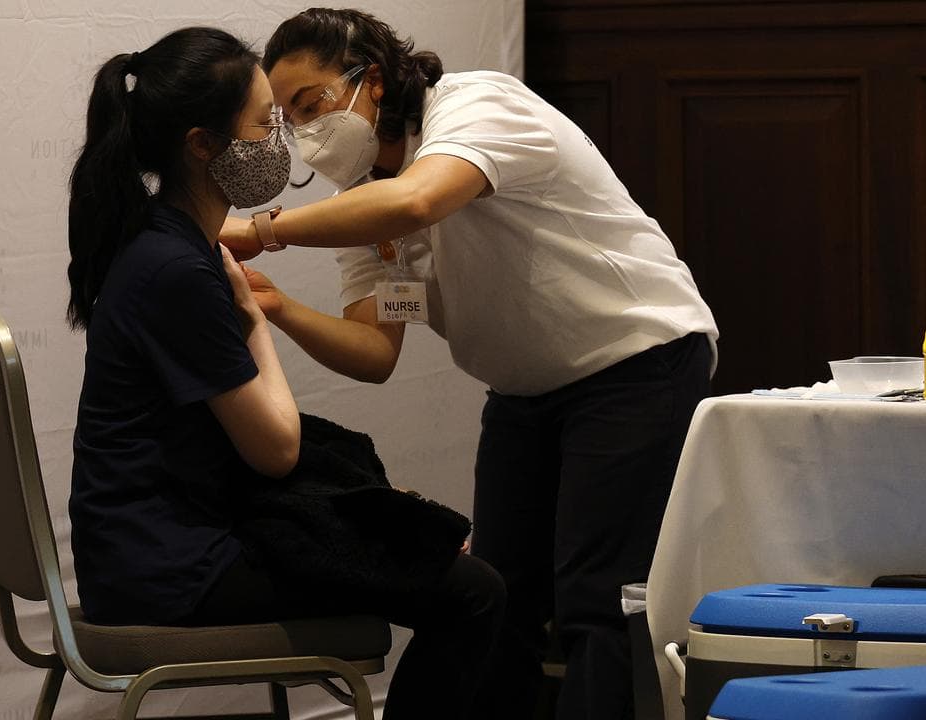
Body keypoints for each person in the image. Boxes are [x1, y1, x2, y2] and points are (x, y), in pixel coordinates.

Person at [218, 9, 719, 719]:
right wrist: (280, 310)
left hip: (633, 361)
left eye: (313, 105)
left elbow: (422, 197)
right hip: (524, 389)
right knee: (497, 594)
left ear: (375, 81)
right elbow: (374, 353)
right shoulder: (363, 204)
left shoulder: (478, 103)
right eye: (289, 121)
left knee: (596, 599)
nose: (304, 135)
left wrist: (257, 232)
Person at [64, 26, 504, 720]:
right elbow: (277, 450)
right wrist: (254, 319)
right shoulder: (181, 267)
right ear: (203, 145)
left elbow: (372, 359)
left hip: (151, 547)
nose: (284, 139)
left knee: (414, 538)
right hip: (170, 568)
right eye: (268, 120)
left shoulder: (162, 242)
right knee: (472, 594)